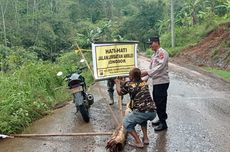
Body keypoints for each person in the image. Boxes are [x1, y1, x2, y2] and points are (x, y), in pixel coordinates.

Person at [115, 68, 156, 148]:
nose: (128, 76)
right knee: (143, 119)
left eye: (129, 75)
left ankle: (138, 142)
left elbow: (120, 92)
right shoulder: (144, 82)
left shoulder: (129, 85)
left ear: (132, 77)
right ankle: (146, 139)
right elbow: (132, 84)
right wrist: (124, 81)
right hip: (152, 112)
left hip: (142, 111)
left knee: (126, 123)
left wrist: (117, 83)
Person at [141, 36, 170, 132]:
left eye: (151, 43)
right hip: (156, 82)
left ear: (156, 42)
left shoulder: (162, 53)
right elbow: (151, 69)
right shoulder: (154, 55)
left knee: (161, 102)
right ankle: (161, 119)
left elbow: (160, 67)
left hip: (162, 82)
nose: (150, 46)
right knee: (157, 102)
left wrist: (147, 73)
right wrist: (145, 79)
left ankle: (163, 123)